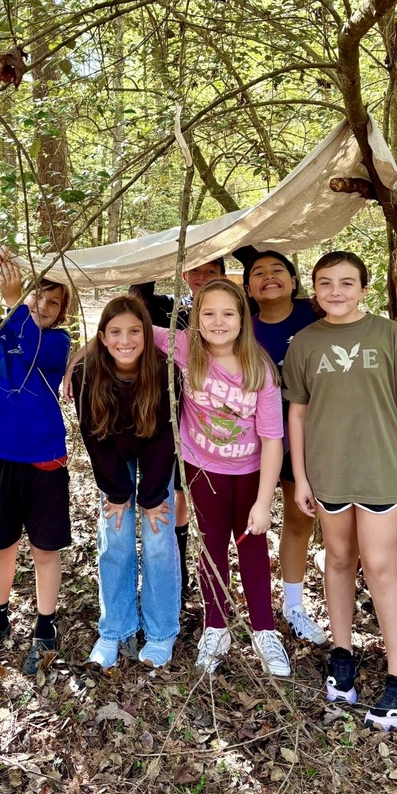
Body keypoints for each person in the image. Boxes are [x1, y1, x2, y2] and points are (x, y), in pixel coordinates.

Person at [283, 251, 397, 731]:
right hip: (328, 473)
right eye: (325, 283)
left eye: (347, 283)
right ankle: (342, 655)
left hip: (379, 469)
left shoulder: (388, 334)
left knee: (381, 566)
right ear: (314, 289)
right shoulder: (304, 342)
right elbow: (298, 415)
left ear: (364, 288)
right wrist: (302, 477)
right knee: (340, 560)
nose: (336, 291)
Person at [151, 277, 289, 675]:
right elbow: (134, 330)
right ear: (195, 318)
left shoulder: (259, 370)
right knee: (211, 548)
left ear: (242, 319)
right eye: (208, 313)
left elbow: (273, 441)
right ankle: (216, 626)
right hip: (203, 470)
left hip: (249, 473)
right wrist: (79, 359)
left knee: (252, 546)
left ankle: (265, 630)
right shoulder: (186, 348)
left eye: (227, 313)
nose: (217, 321)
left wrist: (264, 503)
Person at [0, 247, 72, 676]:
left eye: (53, 302)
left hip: (44, 462)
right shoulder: (1, 333)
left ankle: (45, 626)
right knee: (1, 544)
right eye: (36, 296)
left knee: (44, 548)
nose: (42, 305)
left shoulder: (56, 342)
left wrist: (14, 306)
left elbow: (35, 350)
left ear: (61, 314)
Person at [73, 295, 182, 669]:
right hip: (111, 457)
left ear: (147, 334)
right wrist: (118, 493)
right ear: (102, 337)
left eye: (134, 331)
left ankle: (161, 631)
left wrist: (152, 497)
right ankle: (115, 629)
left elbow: (165, 437)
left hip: (154, 453)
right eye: (116, 332)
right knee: (115, 535)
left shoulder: (166, 371)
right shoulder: (86, 373)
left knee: (158, 536)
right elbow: (93, 436)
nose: (125, 340)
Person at [235, 246, 325, 646]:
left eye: (278, 270)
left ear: (293, 280)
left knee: (299, 518)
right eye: (258, 272)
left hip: (309, 437)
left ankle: (293, 605)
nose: (268, 276)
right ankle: (239, 608)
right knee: (246, 524)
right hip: (248, 442)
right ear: (248, 288)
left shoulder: (317, 315)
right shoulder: (241, 330)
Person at [130, 257, 226, 599]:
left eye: (211, 271)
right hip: (166, 417)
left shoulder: (229, 313)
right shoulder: (169, 308)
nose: (202, 278)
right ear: (183, 274)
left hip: (210, 421)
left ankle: (200, 569)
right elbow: (136, 303)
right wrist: (159, 253)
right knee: (176, 493)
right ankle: (177, 567)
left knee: (193, 495)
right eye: (196, 270)